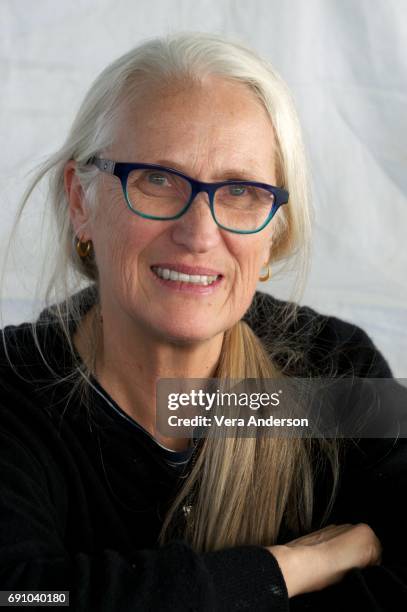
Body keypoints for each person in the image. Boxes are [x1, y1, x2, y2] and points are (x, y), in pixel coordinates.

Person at [0, 31, 406, 611]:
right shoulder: (14, 390)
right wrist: (290, 567)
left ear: (274, 233)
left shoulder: (333, 373)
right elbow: (23, 597)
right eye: (158, 180)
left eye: (240, 190)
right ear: (81, 201)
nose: (199, 233)